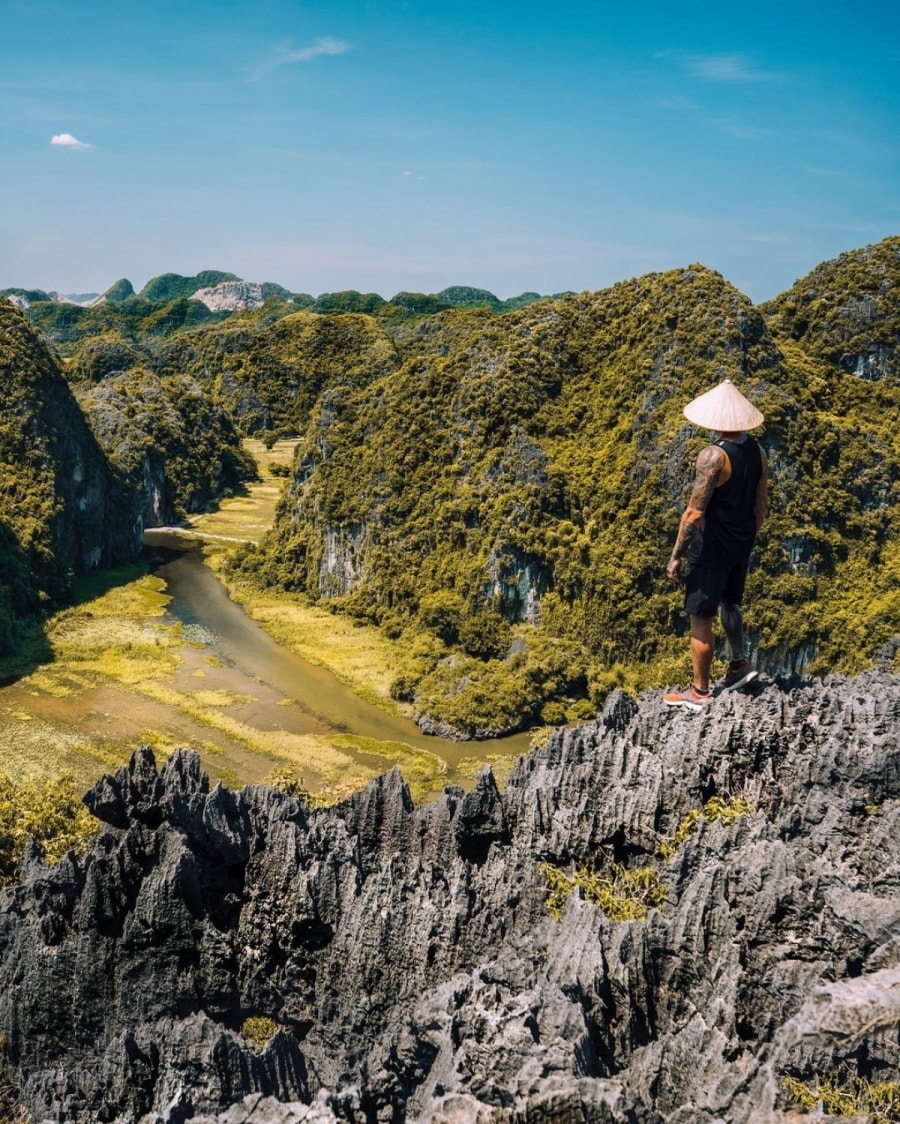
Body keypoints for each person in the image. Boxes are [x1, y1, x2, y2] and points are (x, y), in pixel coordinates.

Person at [664, 378, 769, 711]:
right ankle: (739, 663)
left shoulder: (713, 456)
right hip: (740, 545)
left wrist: (676, 556)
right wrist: (747, 537)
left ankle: (699, 691)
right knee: (731, 604)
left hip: (710, 552)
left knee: (701, 617)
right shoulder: (759, 452)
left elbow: (694, 512)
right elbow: (761, 501)